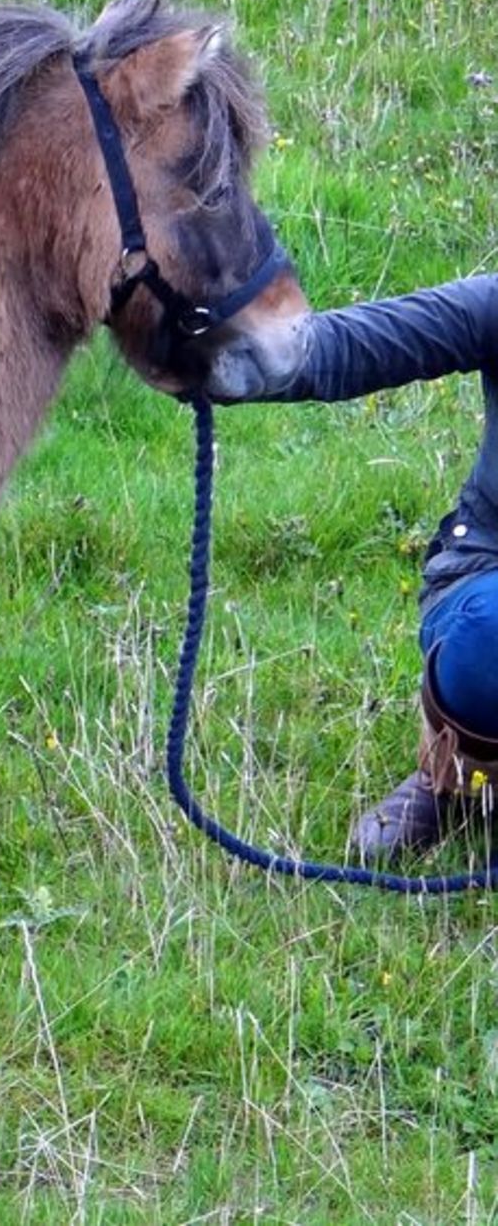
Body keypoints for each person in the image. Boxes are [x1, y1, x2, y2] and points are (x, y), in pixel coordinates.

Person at [207, 274, 498, 858]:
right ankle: (453, 776)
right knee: (489, 634)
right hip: (485, 575)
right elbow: (355, 345)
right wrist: (213, 356)